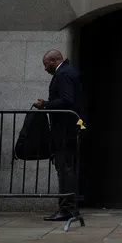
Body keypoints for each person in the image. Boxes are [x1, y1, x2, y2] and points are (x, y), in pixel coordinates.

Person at [36, 49, 83, 222]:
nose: (44, 68)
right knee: (67, 168)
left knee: (65, 168)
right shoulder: (69, 72)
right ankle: (70, 207)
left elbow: (66, 100)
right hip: (68, 129)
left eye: (45, 64)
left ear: (55, 60)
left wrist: (46, 105)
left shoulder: (63, 74)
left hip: (64, 129)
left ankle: (67, 208)